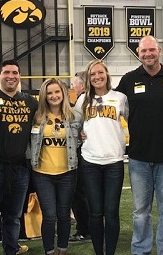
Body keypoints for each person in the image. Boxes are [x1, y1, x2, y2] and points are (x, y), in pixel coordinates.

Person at [116, 35, 163, 255]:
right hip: (139, 157)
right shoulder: (128, 80)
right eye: (143, 51)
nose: (147, 54)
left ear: (160, 51)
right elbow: (111, 106)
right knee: (140, 211)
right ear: (138, 54)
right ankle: (140, 250)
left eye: (151, 50)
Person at [0, 60, 38, 255]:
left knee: (13, 216)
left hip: (20, 170)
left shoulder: (30, 102)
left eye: (15, 72)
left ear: (20, 76)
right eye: (6, 72)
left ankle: (12, 249)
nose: (11, 76)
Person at [74, 59, 129, 255]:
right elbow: (75, 126)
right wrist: (80, 132)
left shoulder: (120, 98)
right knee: (95, 213)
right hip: (90, 162)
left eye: (100, 73)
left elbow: (132, 121)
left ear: (106, 75)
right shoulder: (82, 100)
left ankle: (111, 252)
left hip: (114, 161)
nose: (97, 77)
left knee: (112, 212)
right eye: (93, 74)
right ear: (88, 78)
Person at [28, 78, 79, 255]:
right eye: (49, 93)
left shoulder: (73, 116)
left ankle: (63, 249)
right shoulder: (36, 117)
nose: (54, 96)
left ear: (63, 93)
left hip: (67, 173)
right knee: (49, 216)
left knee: (64, 215)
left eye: (57, 92)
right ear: (44, 96)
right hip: (42, 174)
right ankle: (49, 250)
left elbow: (81, 138)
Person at [69, 71, 91, 243]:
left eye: (74, 84)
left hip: (82, 153)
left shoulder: (82, 100)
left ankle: (84, 229)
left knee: (78, 193)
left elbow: (75, 126)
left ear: (82, 86)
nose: (72, 87)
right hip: (90, 154)